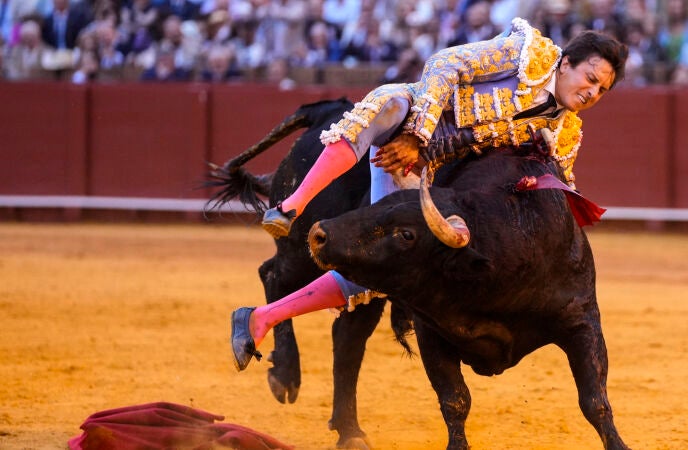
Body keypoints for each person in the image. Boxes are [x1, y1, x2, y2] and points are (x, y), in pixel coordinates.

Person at [231, 17, 628, 372]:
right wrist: (416, 136)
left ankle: (261, 317)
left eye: (602, 89)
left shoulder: (565, 133)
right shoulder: (528, 54)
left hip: (423, 175)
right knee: (384, 107)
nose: (593, 92)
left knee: (379, 272)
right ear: (566, 63)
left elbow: (557, 195)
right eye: (591, 78)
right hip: (409, 119)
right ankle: (291, 206)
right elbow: (444, 63)